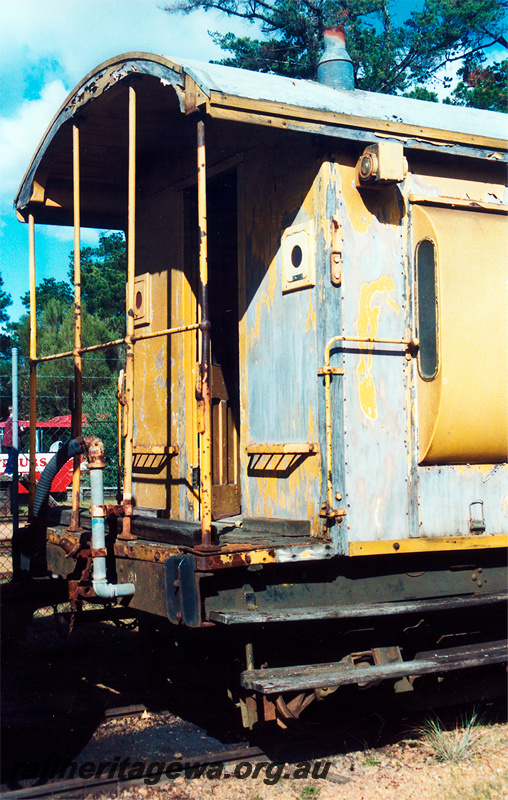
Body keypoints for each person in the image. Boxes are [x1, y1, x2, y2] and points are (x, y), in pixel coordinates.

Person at [3, 406, 13, 476]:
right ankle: (10, 471)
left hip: (9, 442)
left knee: (10, 457)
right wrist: (21, 430)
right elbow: (14, 431)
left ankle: (8, 470)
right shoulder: (11, 420)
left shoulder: (8, 420)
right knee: (12, 457)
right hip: (12, 442)